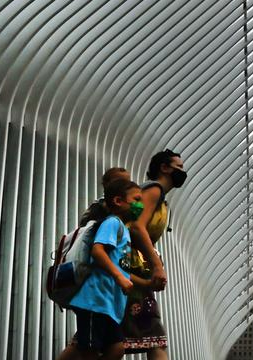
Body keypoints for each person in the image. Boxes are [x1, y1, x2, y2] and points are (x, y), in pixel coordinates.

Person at [65, 179, 144, 360]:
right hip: (95, 301)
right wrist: (119, 278)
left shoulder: (124, 229)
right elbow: (98, 251)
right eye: (136, 199)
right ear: (118, 201)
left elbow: (119, 265)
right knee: (90, 351)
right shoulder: (112, 223)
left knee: (117, 349)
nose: (140, 205)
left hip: (109, 305)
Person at [122, 150, 187, 358]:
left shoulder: (158, 195)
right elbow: (137, 227)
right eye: (179, 167)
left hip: (130, 268)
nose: (182, 172)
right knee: (154, 336)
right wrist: (157, 265)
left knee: (108, 339)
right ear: (164, 168)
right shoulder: (154, 190)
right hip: (129, 268)